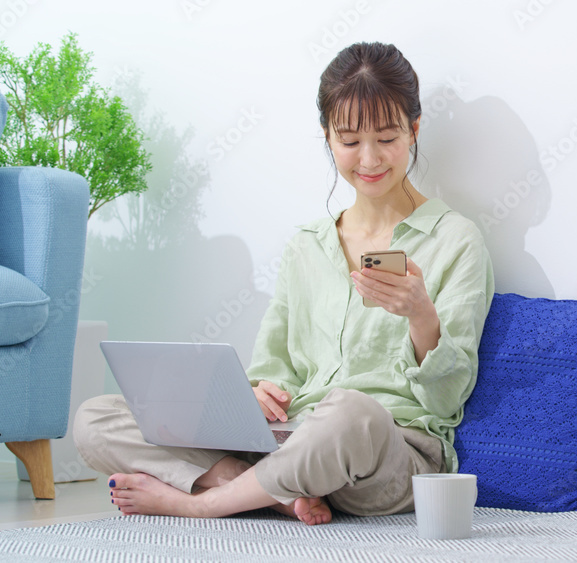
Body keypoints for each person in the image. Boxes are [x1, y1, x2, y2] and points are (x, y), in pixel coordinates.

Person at [73, 42, 494, 526]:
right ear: (327, 136)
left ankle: (203, 502)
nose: (370, 158)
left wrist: (421, 315)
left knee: (350, 411)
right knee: (96, 417)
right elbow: (273, 372)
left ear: (414, 129)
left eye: (386, 137)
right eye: (350, 141)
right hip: (289, 441)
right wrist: (258, 395)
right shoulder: (306, 246)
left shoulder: (455, 240)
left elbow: (446, 401)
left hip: (383, 452)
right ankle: (258, 488)